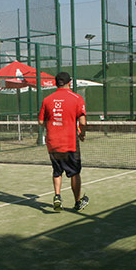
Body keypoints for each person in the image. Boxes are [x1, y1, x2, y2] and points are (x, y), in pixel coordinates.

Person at [38, 71, 89, 212]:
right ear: (70, 82)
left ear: (55, 83)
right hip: (70, 143)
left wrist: (53, 124)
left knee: (57, 171)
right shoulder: (77, 98)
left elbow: (41, 121)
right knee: (74, 173)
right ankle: (78, 202)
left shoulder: (47, 100)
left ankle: (57, 196)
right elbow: (83, 122)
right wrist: (82, 134)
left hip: (52, 142)